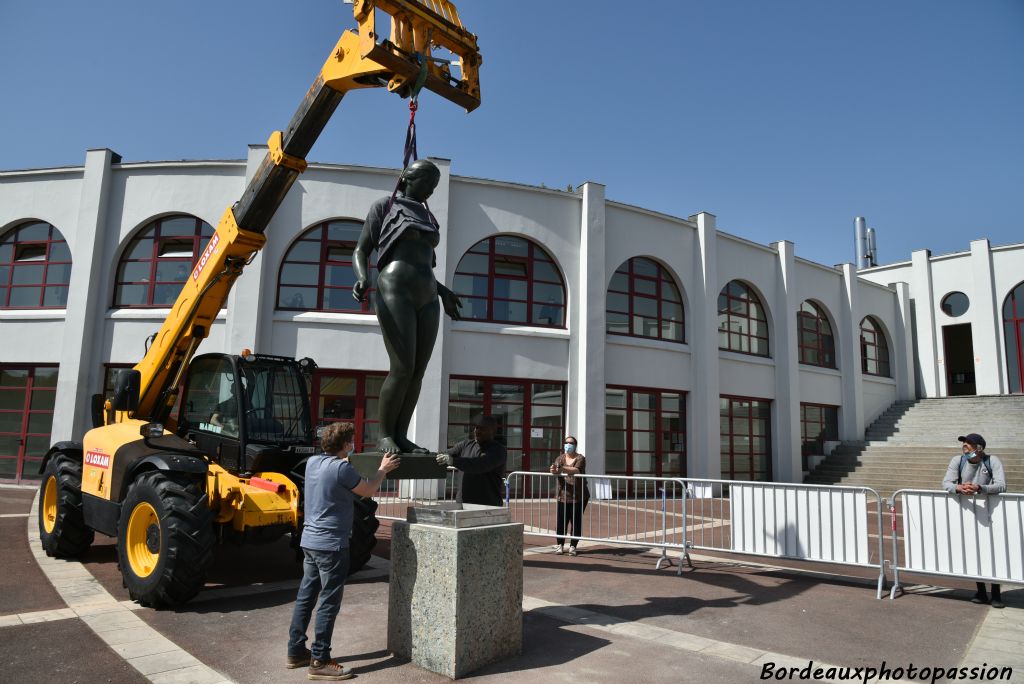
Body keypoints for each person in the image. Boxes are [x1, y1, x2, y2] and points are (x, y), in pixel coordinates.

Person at [353, 159, 462, 455]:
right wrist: (363, 277)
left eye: (434, 185)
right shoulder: (384, 206)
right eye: (426, 182)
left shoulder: (427, 214)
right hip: (395, 287)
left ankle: (401, 435)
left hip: (427, 293)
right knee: (401, 367)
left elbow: (423, 261)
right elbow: (362, 249)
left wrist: (443, 292)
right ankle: (384, 435)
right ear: (408, 178)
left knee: (418, 371)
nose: (430, 189)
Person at [287, 422, 400, 679]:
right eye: (351, 441)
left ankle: (295, 651)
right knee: (329, 601)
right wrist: (382, 470)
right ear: (346, 444)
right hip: (332, 545)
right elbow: (368, 490)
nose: (354, 444)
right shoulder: (341, 468)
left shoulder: (314, 462)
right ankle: (320, 661)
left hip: (310, 542)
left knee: (306, 596)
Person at [942, 432, 1007, 609]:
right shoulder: (958, 460)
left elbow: (1002, 485)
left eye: (969, 443)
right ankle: (980, 591)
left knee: (992, 552)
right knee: (974, 550)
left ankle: (996, 593)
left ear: (979, 447)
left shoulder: (992, 460)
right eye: (964, 443)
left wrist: (980, 488)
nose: (965, 445)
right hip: (968, 511)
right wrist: (959, 487)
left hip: (990, 512)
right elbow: (946, 483)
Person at [435, 415, 506, 507]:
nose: (477, 431)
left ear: (492, 431)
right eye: (476, 427)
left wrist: (453, 461)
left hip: (488, 504)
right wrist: (424, 453)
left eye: (482, 428)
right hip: (463, 503)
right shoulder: (465, 445)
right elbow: (444, 454)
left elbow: (479, 465)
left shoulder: (498, 450)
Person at [550, 435, 589, 556]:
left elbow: (576, 470)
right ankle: (560, 545)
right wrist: (553, 470)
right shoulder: (560, 458)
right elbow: (556, 470)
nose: (568, 445)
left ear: (575, 445)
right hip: (563, 495)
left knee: (576, 521)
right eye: (566, 443)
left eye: (571, 443)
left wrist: (561, 469)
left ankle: (573, 546)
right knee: (561, 521)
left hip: (578, 496)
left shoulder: (580, 458)